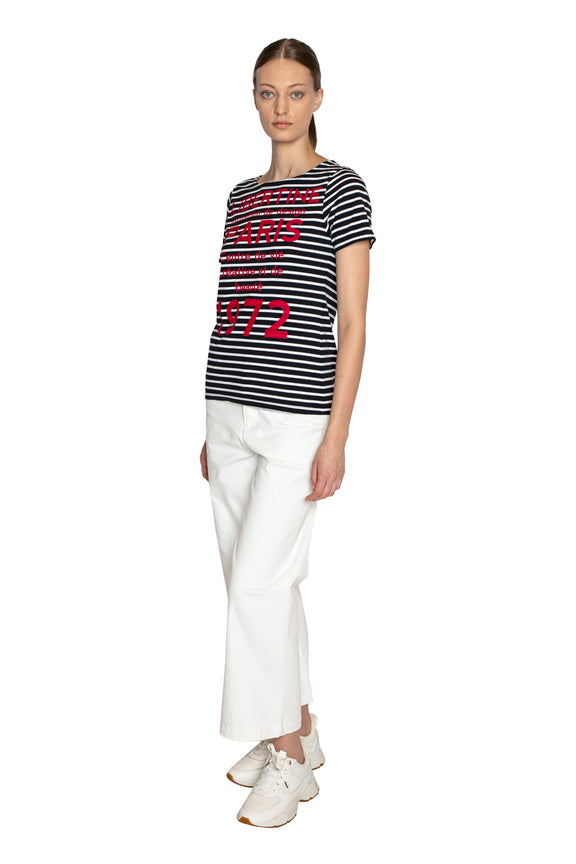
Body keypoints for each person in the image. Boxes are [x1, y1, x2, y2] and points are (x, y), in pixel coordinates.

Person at [199, 37, 376, 828]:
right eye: (268, 92)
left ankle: (289, 754)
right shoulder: (240, 196)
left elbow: (353, 322)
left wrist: (337, 436)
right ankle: (299, 723)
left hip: (298, 415)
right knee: (258, 583)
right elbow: (231, 304)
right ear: (254, 97)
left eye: (295, 92)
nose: (281, 107)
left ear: (318, 98)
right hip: (228, 408)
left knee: (256, 587)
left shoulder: (342, 188)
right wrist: (210, 424)